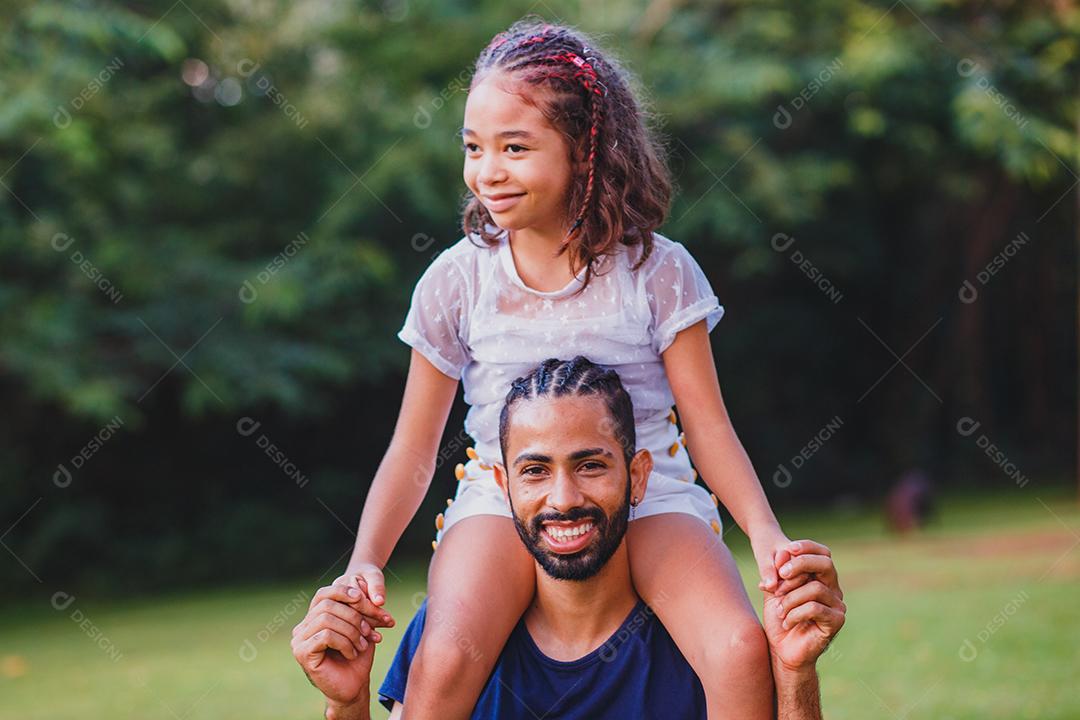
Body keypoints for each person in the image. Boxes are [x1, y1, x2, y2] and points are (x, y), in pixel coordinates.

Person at [343, 17, 801, 720]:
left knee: (739, 648)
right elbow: (413, 448)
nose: (486, 171)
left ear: (585, 151)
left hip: (647, 492)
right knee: (445, 655)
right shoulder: (456, 282)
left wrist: (766, 536)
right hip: (503, 499)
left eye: (515, 148)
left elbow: (708, 427)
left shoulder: (656, 271)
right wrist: (365, 560)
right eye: (473, 147)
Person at [293, 358, 846, 719]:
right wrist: (347, 704)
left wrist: (795, 674)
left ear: (638, 477)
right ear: (503, 485)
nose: (563, 498)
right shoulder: (453, 634)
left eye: (590, 465)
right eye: (535, 471)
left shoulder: (700, 643)